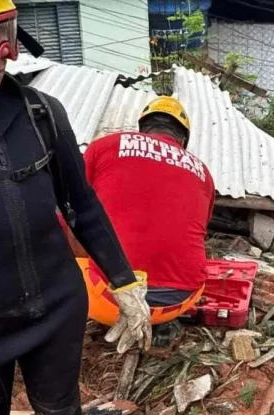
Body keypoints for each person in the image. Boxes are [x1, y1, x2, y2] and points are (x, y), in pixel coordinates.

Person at [0, 1, 151, 415]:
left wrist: (124, 282)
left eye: (5, 33)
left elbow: (81, 204)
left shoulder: (39, 112)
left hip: (56, 313)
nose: (3, 54)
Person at [81, 96, 215, 334]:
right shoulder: (203, 171)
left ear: (142, 129)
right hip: (180, 300)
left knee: (68, 228)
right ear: (182, 139)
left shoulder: (105, 145)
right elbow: (201, 228)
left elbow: (69, 205)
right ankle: (161, 323)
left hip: (107, 300)